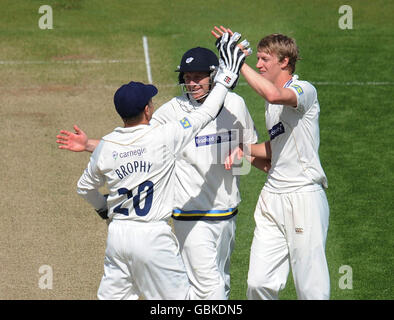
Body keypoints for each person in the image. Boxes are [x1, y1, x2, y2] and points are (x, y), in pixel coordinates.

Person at [57, 44, 270, 299]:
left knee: (220, 282)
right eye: (187, 78)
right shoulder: (171, 113)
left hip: (228, 212)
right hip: (190, 217)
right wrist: (90, 144)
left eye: (198, 76)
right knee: (208, 292)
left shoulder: (236, 104)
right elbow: (139, 143)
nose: (191, 83)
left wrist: (243, 155)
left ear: (211, 76)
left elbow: (244, 149)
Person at [212, 27, 330, 300]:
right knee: (258, 284)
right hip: (272, 196)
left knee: (311, 288)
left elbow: (274, 95)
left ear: (284, 62)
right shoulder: (270, 107)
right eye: (257, 58)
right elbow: (276, 149)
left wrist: (237, 64)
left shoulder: (303, 90)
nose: (259, 64)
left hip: (303, 196)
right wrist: (241, 149)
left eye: (265, 59)